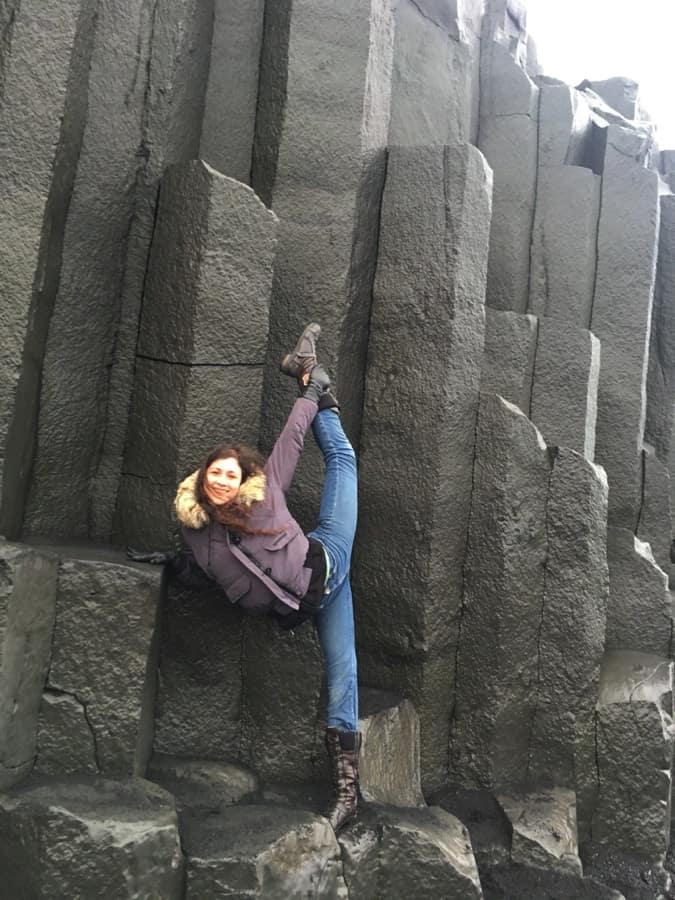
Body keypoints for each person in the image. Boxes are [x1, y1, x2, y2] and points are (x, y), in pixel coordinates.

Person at [129, 324, 360, 831]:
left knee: (342, 461)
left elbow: (291, 440)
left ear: (242, 480)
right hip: (313, 602)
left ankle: (312, 376)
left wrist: (310, 396)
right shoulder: (195, 533)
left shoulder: (266, 493)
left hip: (329, 558)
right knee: (343, 672)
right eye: (215, 472)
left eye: (230, 475)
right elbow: (208, 573)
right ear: (203, 476)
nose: (222, 480)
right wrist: (169, 564)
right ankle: (349, 794)